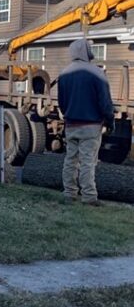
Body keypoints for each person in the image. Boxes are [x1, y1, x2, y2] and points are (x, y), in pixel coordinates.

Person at [57, 38, 115, 205]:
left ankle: (69, 193)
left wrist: (68, 115)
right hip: (91, 126)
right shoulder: (97, 73)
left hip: (71, 125)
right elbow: (105, 102)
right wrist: (110, 121)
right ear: (87, 52)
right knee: (88, 162)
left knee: (70, 160)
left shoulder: (64, 74)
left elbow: (61, 102)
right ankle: (89, 196)